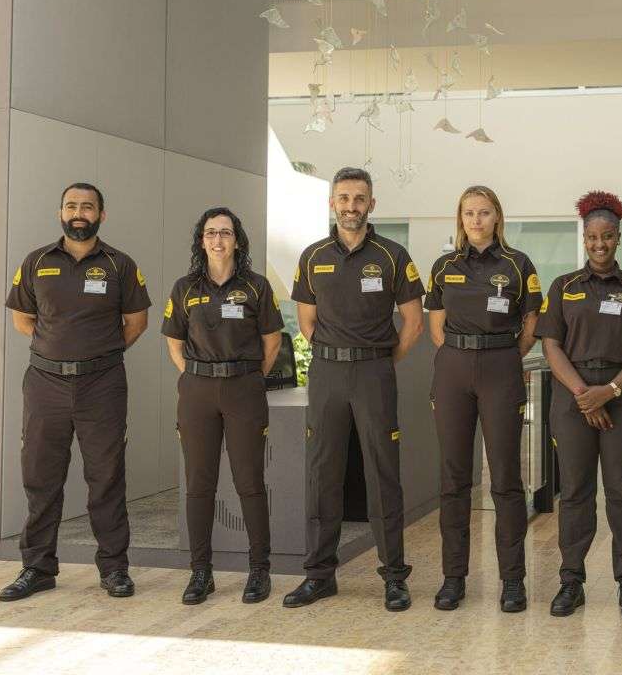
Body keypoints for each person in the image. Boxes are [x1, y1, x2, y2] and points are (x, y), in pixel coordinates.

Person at [0, 183, 150, 601]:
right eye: (71, 206)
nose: (78, 213)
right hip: (45, 384)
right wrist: (59, 351)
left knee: (106, 477)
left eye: (87, 206)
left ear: (101, 214)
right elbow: (23, 319)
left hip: (102, 385)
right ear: (60, 213)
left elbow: (136, 323)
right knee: (40, 476)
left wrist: (96, 355)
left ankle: (114, 569)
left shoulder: (120, 264)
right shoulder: (37, 261)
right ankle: (37, 568)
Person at [284, 168, 425, 611]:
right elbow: (306, 322)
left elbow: (414, 322)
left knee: (383, 473)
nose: (351, 206)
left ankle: (394, 576)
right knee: (322, 472)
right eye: (343, 198)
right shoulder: (312, 256)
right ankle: (319, 575)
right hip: (327, 373)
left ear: (371, 204)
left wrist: (378, 361)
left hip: (374, 373)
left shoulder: (393, 255)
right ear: (332, 203)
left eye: (359, 198)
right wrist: (337, 356)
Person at [535, 191, 622, 619]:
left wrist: (608, 391)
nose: (599, 244)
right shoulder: (563, 287)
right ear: (584, 238)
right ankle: (571, 582)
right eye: (592, 237)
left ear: (618, 238)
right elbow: (551, 345)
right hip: (572, 396)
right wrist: (583, 394)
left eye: (607, 236)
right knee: (575, 492)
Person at [425, 185, 541, 613]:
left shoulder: (518, 264)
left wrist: (505, 357)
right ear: (460, 218)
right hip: (453, 369)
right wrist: (459, 356)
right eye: (469, 213)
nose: (476, 220)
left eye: (484, 212)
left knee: (506, 478)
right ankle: (453, 578)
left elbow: (531, 322)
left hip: (500, 368)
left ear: (497, 217)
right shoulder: (444, 266)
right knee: (453, 478)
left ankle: (512, 580)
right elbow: (436, 327)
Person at [162, 207, 283, 605]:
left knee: (249, 480)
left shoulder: (256, 287)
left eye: (225, 233)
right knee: (199, 483)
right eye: (211, 233)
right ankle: (201, 572)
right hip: (197, 391)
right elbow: (174, 343)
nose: (218, 240)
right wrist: (199, 376)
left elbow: (272, 342)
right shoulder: (184, 287)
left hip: (243, 388)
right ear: (202, 241)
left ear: (237, 241)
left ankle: (259, 569)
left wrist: (247, 379)